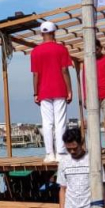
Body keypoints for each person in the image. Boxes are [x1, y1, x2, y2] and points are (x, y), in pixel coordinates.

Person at [31, 21, 73, 163]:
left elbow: (35, 74)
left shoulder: (35, 51)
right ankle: (61, 153)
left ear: (41, 33)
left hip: (43, 91)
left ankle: (49, 154)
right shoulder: (62, 49)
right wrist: (69, 90)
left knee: (47, 123)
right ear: (54, 32)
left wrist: (35, 93)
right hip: (60, 89)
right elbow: (65, 71)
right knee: (60, 122)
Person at [58, 127, 105, 208]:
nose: (72, 152)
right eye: (69, 149)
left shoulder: (93, 160)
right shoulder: (63, 162)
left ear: (81, 143)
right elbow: (62, 190)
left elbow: (102, 187)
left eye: (75, 148)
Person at [82, 40, 105, 156]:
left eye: (97, 49)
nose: (95, 51)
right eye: (93, 49)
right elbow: (84, 81)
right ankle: (95, 147)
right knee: (93, 122)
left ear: (100, 47)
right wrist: (85, 97)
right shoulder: (87, 61)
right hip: (92, 95)